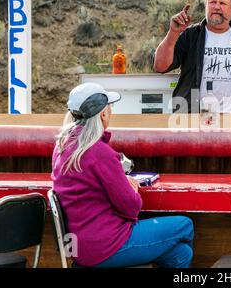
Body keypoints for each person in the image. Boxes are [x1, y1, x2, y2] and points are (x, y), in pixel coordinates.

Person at [51, 82, 194, 267]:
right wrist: (130, 187)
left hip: (78, 246)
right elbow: (131, 207)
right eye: (109, 108)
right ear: (103, 114)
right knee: (184, 225)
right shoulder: (99, 152)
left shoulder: (62, 147)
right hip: (104, 246)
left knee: (181, 254)